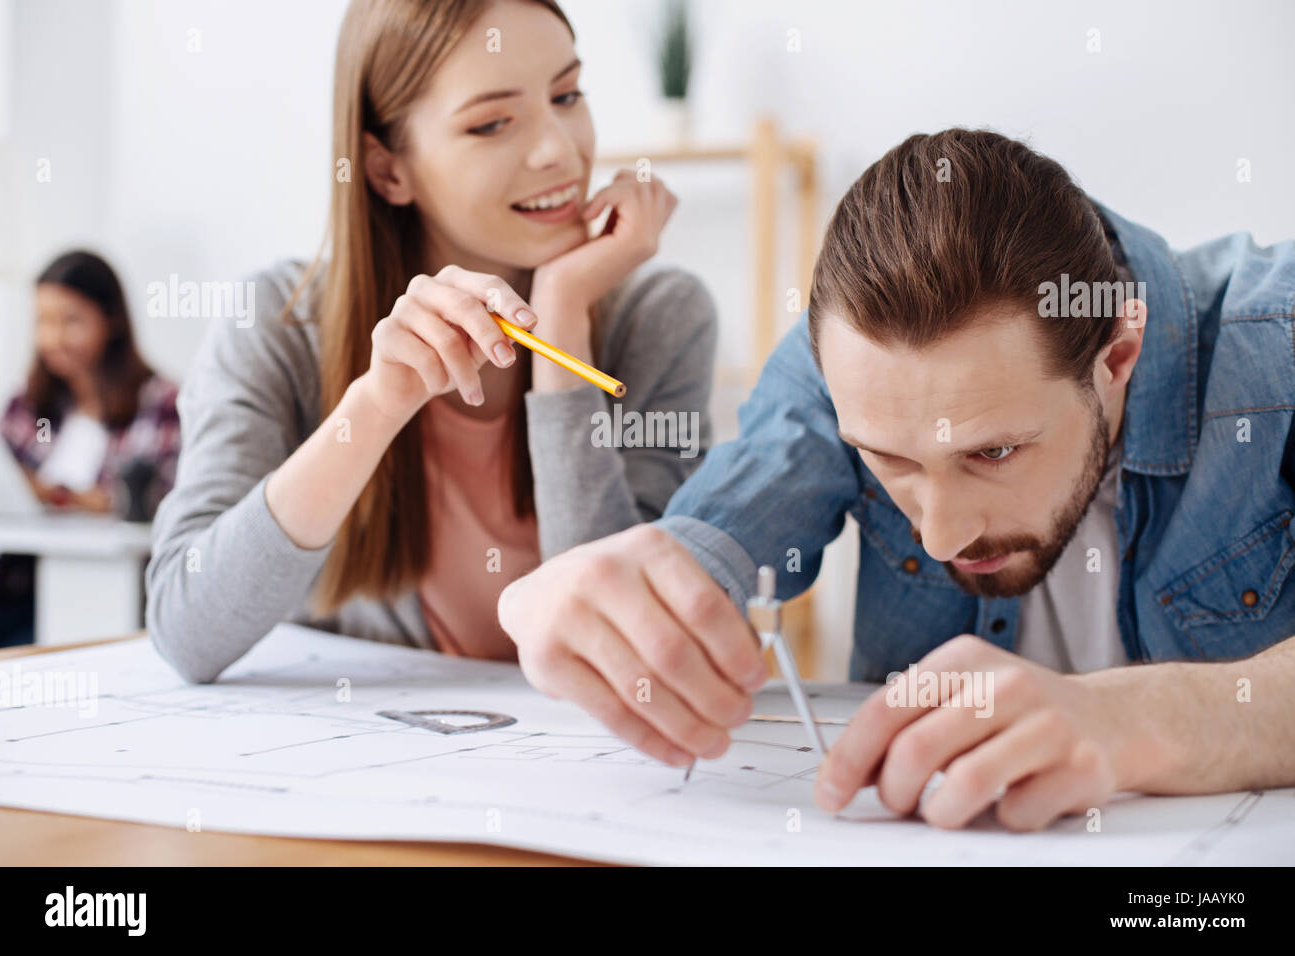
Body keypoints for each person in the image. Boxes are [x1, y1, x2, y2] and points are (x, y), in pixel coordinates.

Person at [497, 128, 1295, 832]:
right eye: (894, 463)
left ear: (1117, 355)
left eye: (995, 452)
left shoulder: (1277, 349)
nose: (941, 535)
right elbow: (697, 554)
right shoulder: (854, 371)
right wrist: (574, 602)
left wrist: (1126, 721)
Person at [145, 0, 717, 681]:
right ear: (388, 170)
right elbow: (186, 630)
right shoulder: (276, 323)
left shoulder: (659, 317)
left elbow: (622, 636)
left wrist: (563, 312)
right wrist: (378, 404)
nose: (560, 150)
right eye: (492, 123)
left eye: (566, 94)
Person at [0, 249, 180, 646]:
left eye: (72, 321)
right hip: (21, 590)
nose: (53, 338)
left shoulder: (161, 404)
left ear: (111, 320)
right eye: (43, 322)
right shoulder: (31, 407)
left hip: (116, 599)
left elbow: (169, 502)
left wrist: (68, 498)